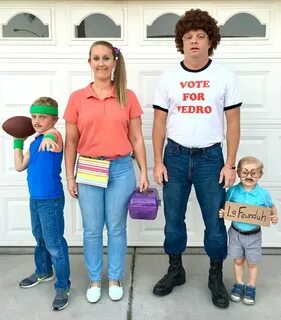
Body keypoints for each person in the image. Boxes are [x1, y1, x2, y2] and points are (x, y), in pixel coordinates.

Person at [152, 8, 242, 308]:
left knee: (214, 223)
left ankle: (215, 275)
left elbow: (233, 123)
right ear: (181, 41)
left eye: (200, 36)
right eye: (188, 37)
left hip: (211, 159)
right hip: (175, 156)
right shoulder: (168, 76)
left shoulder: (225, 76)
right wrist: (157, 160)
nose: (194, 41)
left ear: (210, 41)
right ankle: (175, 269)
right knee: (173, 220)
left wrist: (230, 164)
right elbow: (159, 123)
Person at [63, 41, 149, 303]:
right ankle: (93, 280)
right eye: (96, 58)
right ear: (89, 62)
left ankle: (114, 277)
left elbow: (136, 138)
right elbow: (71, 142)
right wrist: (69, 176)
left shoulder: (127, 95)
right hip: (88, 167)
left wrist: (144, 171)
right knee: (91, 229)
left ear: (114, 62)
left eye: (106, 58)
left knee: (116, 228)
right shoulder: (77, 98)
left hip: (121, 168)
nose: (101, 63)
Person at [13, 97, 71, 311]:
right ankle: (43, 271)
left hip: (51, 200)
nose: (36, 121)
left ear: (54, 119)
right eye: (34, 116)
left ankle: (63, 286)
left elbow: (52, 136)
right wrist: (18, 141)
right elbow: (19, 166)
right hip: (35, 199)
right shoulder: (35, 142)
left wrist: (48, 135)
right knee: (40, 239)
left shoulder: (54, 136)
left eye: (42, 117)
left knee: (55, 244)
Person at [219, 156, 278, 305]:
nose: (249, 176)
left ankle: (251, 287)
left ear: (260, 174)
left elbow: (271, 207)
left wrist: (274, 215)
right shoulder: (232, 191)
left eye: (253, 173)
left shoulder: (263, 194)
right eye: (245, 172)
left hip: (254, 235)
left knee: (252, 263)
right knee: (238, 260)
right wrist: (223, 211)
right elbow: (226, 206)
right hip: (235, 233)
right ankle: (239, 284)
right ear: (238, 173)